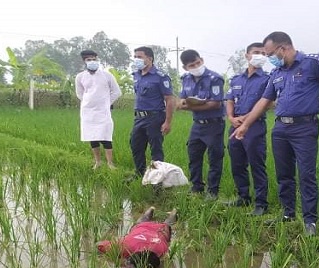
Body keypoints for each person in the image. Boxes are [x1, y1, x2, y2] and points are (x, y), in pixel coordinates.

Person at [233, 31, 319, 236]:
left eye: (270, 53)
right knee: (284, 175)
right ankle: (287, 213)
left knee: (306, 174)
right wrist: (245, 124)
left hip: (304, 128)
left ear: (282, 48)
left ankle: (310, 221)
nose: (268, 58)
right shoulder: (277, 73)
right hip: (281, 129)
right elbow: (264, 102)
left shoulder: (312, 63)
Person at [224, 42, 270, 216]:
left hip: (255, 127)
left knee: (257, 165)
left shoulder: (267, 79)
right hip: (234, 127)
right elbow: (229, 99)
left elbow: (267, 103)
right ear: (247, 55)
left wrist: (245, 119)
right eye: (256, 52)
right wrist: (231, 117)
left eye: (263, 53)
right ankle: (243, 197)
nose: (260, 55)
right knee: (237, 163)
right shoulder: (236, 79)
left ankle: (261, 204)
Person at [177, 49, 225, 199]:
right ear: (186, 67)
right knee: (194, 156)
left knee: (214, 158)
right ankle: (196, 187)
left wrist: (190, 106)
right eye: (192, 65)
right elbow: (182, 100)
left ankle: (212, 191)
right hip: (197, 125)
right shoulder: (185, 78)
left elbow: (215, 104)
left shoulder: (214, 78)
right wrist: (184, 104)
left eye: (198, 62)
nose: (197, 66)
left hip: (214, 125)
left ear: (202, 60)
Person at [130, 46, 175, 177]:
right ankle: (140, 173)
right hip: (139, 117)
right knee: (135, 145)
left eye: (139, 57)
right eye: (135, 57)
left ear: (149, 59)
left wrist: (167, 122)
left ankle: (157, 178)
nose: (136, 59)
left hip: (154, 118)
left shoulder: (160, 77)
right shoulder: (136, 75)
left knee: (155, 149)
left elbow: (170, 100)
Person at [75, 49, 122, 169]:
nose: (92, 61)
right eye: (89, 60)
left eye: (94, 59)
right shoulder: (80, 77)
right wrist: (89, 103)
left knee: (106, 136)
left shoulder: (107, 75)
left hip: (103, 112)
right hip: (88, 112)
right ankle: (98, 162)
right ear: (84, 61)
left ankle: (110, 163)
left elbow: (117, 92)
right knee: (92, 137)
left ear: (97, 59)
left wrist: (106, 103)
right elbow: (80, 94)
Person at [97, 207, 178, 268]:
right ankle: (173, 212)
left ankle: (153, 210)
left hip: (145, 227)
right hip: (157, 229)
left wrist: (120, 262)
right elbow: (98, 245)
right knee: (166, 225)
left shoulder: (161, 250)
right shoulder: (126, 246)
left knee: (165, 225)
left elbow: (98, 245)